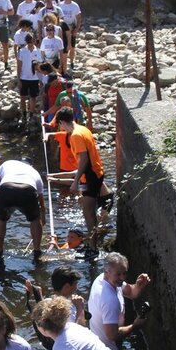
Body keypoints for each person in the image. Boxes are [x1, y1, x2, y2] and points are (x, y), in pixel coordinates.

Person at [53, 108, 105, 258]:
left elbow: (84, 159)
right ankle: (93, 244)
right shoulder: (83, 129)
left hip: (90, 176)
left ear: (62, 122)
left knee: (88, 212)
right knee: (90, 212)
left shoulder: (75, 135)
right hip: (95, 172)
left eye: (60, 125)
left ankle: (93, 249)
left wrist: (76, 181)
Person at [88, 253, 151, 350]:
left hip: (97, 344)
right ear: (106, 272)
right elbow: (112, 335)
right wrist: (135, 326)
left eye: (124, 273)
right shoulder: (110, 300)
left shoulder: (104, 279)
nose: (122, 278)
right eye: (118, 274)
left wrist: (139, 285)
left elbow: (131, 292)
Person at [0, 159, 45, 264]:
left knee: (1, 219)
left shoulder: (8, 163)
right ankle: (37, 252)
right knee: (35, 220)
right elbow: (41, 203)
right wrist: (42, 218)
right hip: (27, 190)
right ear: (31, 165)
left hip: (6, 188)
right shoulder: (35, 172)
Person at [16, 34, 44, 122]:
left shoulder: (39, 51)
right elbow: (19, 66)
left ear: (34, 40)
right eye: (28, 41)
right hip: (24, 78)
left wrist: (41, 80)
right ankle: (24, 114)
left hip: (34, 78)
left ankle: (31, 114)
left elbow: (40, 66)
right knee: (22, 97)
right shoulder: (21, 51)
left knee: (33, 97)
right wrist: (18, 79)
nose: (30, 42)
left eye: (31, 40)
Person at [58, 0, 82, 70]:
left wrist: (77, 29)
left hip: (72, 28)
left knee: (72, 47)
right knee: (61, 46)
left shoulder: (75, 6)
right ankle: (62, 63)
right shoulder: (60, 5)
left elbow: (79, 18)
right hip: (62, 29)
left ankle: (71, 62)